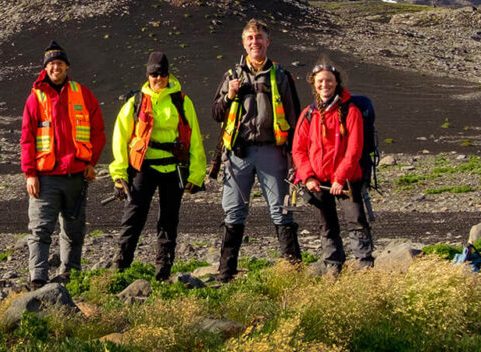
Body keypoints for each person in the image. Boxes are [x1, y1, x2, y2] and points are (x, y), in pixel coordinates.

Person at [211, 19, 302, 282]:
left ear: (268, 42)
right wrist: (230, 95)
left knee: (282, 210)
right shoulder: (232, 76)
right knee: (234, 211)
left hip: (272, 152)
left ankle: (293, 271)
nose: (255, 42)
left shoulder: (281, 75)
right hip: (238, 154)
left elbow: (294, 117)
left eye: (259, 37)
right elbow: (216, 113)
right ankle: (226, 273)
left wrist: (295, 157)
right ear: (243, 43)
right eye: (250, 38)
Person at [110, 51, 207, 281]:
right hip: (143, 167)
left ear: (168, 74)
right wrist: (119, 174)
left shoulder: (182, 101)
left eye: (162, 74)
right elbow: (120, 138)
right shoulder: (135, 102)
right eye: (154, 74)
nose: (158, 78)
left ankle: (163, 271)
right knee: (133, 216)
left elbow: (194, 139)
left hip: (173, 169)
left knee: (169, 220)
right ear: (148, 75)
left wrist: (196, 174)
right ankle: (120, 267)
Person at [20, 41, 106, 288]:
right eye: (51, 64)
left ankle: (71, 275)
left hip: (77, 175)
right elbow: (27, 138)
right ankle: (38, 278)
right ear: (45, 68)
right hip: (45, 177)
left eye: (59, 63)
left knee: (74, 230)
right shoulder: (35, 98)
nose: (55, 67)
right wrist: (30, 174)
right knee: (40, 229)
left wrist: (91, 163)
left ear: (67, 66)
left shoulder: (83, 93)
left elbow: (97, 132)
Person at [292, 57, 374, 273]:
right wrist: (308, 177)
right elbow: (298, 150)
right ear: (313, 84)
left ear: (336, 82)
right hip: (317, 182)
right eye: (320, 81)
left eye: (328, 81)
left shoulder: (351, 111)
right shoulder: (308, 114)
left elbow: (354, 149)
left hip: (347, 180)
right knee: (326, 225)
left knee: (356, 220)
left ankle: (365, 267)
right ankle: (333, 268)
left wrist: (340, 177)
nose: (324, 85)